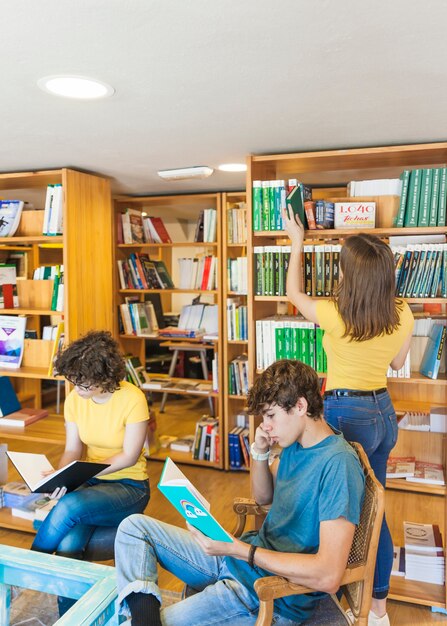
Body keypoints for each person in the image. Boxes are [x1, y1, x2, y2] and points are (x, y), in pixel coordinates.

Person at [114, 359, 365, 626]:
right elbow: (264, 498)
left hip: (265, 594)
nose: (265, 425)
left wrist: (241, 550)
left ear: (301, 406)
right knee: (133, 528)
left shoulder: (338, 465)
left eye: (270, 416)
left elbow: (328, 576)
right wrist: (259, 451)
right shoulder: (297, 443)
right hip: (239, 562)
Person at [283, 212, 414, 626]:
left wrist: (297, 240)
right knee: (377, 509)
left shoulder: (334, 313)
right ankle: (378, 609)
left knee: (342, 509)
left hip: (345, 411)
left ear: (352, 276)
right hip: (382, 412)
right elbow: (397, 362)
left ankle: (331, 586)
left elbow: (291, 291)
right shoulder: (402, 313)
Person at [31, 330, 150, 612]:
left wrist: (83, 476)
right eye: (74, 381)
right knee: (71, 541)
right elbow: (73, 450)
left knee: (71, 506)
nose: (78, 388)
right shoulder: (74, 399)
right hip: (90, 482)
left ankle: (31, 566)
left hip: (129, 486)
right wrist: (62, 477)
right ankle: (72, 615)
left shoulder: (133, 399)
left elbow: (130, 456)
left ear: (105, 376)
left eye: (84, 383)